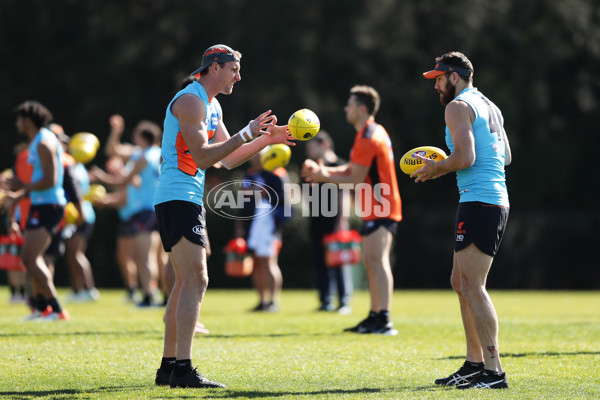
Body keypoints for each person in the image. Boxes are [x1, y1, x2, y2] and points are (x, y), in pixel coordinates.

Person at [152, 44, 293, 389]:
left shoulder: (211, 104)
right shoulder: (191, 101)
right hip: (177, 198)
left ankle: (169, 367)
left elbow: (228, 158)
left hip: (184, 199)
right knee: (196, 281)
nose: (238, 76)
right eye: (233, 69)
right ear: (214, 67)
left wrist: (266, 138)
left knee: (185, 283)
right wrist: (248, 131)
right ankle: (183, 369)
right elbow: (202, 157)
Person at [416, 51, 512, 389]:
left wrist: (435, 167)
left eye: (439, 79)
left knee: (473, 285)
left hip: (480, 201)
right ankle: (474, 364)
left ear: (454, 77)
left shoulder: (456, 106)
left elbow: (466, 157)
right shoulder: (488, 104)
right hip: (487, 198)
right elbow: (506, 155)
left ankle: (494, 371)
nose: (436, 85)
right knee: (461, 281)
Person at [301, 85, 402, 335]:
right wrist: (322, 173)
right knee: (371, 262)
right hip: (374, 206)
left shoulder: (369, 136)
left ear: (362, 109)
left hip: (382, 205)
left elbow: (355, 179)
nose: (346, 108)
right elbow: (351, 169)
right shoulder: (368, 133)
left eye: (350, 104)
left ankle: (385, 319)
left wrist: (322, 175)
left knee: (378, 262)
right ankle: (374, 316)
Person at [94, 117, 162, 306]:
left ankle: (149, 295)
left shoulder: (143, 157)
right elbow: (114, 152)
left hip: (144, 211)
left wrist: (102, 177)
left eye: (136, 136)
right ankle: (161, 295)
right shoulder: (160, 153)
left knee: (144, 256)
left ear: (143, 138)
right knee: (159, 256)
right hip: (159, 209)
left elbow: (122, 181)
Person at [11, 101, 69, 321]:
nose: (17, 123)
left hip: (49, 205)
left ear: (27, 120)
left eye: (19, 119)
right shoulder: (39, 140)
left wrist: (22, 186)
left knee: (30, 257)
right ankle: (41, 307)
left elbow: (51, 180)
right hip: (42, 203)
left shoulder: (44, 142)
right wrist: (20, 194)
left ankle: (55, 308)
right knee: (32, 258)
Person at [304, 131, 353, 313]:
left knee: (339, 262)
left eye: (311, 147)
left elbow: (344, 193)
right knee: (319, 262)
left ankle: (344, 302)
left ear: (323, 144)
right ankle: (325, 300)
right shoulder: (313, 168)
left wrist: (342, 221)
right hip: (316, 222)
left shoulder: (339, 165)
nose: (309, 152)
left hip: (334, 221)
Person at [236, 153, 287, 312]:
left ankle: (273, 300)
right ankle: (262, 300)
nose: (256, 158)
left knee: (269, 261)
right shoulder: (249, 175)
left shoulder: (275, 174)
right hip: (251, 226)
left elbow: (284, 201)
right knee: (256, 263)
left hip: (268, 226)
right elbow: (242, 202)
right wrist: (239, 227)